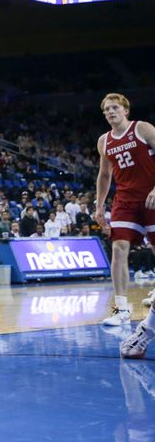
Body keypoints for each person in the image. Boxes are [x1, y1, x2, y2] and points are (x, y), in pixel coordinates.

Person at [94, 93, 155, 328]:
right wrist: (99, 205)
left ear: (125, 110)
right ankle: (121, 308)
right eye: (106, 110)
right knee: (119, 248)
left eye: (114, 108)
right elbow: (105, 174)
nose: (110, 112)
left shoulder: (143, 129)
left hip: (150, 196)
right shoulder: (104, 141)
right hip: (125, 200)